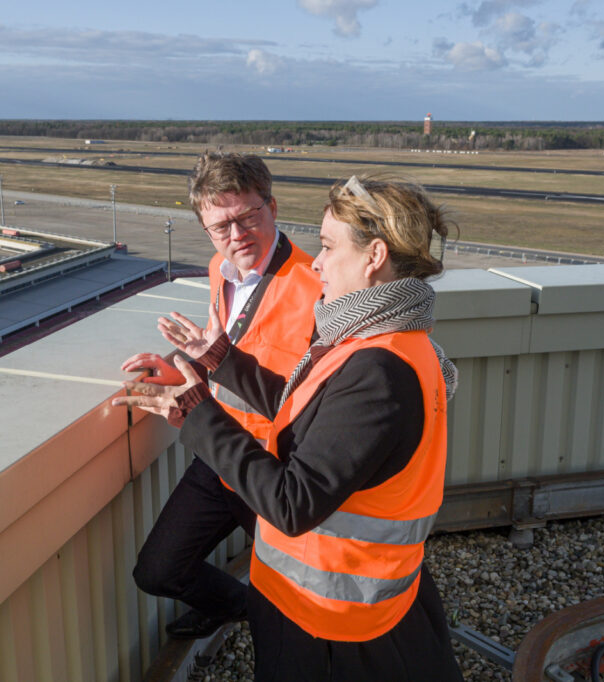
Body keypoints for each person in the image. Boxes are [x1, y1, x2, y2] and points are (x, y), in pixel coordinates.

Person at [114, 175, 464, 680]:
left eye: (326, 246)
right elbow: (308, 410)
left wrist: (193, 411)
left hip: (331, 621)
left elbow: (292, 503)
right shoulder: (391, 339)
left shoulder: (378, 369)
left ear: (375, 256)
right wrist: (220, 359)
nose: (316, 261)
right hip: (334, 601)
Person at [121, 152, 323, 639]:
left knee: (296, 610)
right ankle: (239, 607)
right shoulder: (221, 269)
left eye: (248, 217)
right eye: (220, 227)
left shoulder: (315, 288)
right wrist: (175, 369)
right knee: (158, 571)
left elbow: (312, 409)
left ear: (272, 207)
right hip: (219, 455)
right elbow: (226, 350)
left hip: (270, 474)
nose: (236, 236)